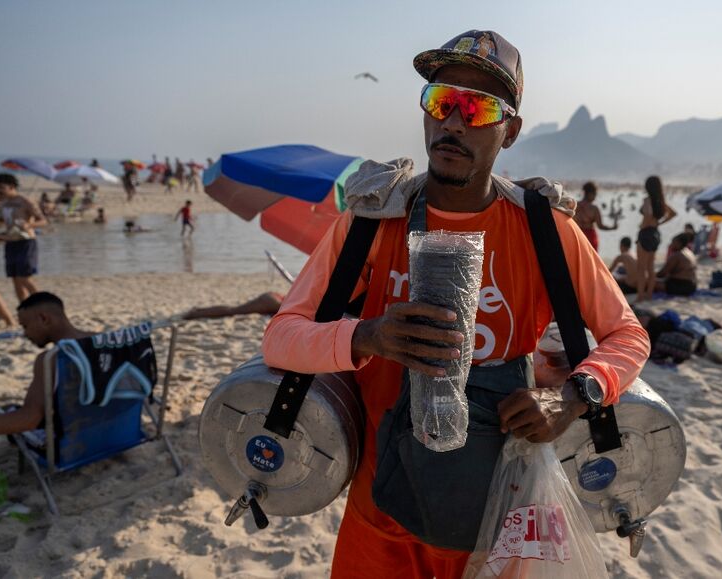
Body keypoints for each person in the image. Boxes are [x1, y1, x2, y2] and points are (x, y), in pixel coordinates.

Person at [261, 30, 650, 579]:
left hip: (502, 525)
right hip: (380, 523)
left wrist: (568, 398)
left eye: (479, 107)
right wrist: (366, 336)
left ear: (509, 131)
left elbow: (628, 336)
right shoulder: (373, 220)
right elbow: (281, 336)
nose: (454, 122)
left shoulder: (544, 229)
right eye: (443, 101)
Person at [0, 293, 93, 436]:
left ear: (44, 319)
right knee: (11, 407)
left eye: (25, 326)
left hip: (74, 442)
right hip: (116, 432)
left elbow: (29, 420)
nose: (25, 333)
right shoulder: (101, 341)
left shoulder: (51, 359)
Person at [0, 174, 48, 302]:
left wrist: (29, 224)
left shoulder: (25, 201)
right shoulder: (2, 203)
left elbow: (43, 221)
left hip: (26, 242)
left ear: (12, 187)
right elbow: (2, 221)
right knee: (15, 279)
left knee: (24, 278)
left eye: (1, 188)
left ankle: (45, 304)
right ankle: (24, 308)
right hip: (11, 243)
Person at [635, 175, 677, 301]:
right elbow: (673, 214)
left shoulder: (647, 200)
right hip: (655, 233)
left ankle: (640, 295)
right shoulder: (661, 201)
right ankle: (649, 294)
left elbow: (648, 213)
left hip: (645, 233)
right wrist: (659, 223)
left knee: (641, 267)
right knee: (650, 267)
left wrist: (643, 225)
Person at [574, 180, 617, 251]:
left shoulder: (575, 205)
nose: (595, 197)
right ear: (590, 194)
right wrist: (612, 228)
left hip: (577, 235)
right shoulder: (594, 208)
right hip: (590, 237)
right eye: (595, 194)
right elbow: (600, 226)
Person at [183, 292, 285, 320]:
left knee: (234, 310)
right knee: (233, 311)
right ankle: (194, 314)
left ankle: (199, 311)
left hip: (273, 298)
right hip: (272, 302)